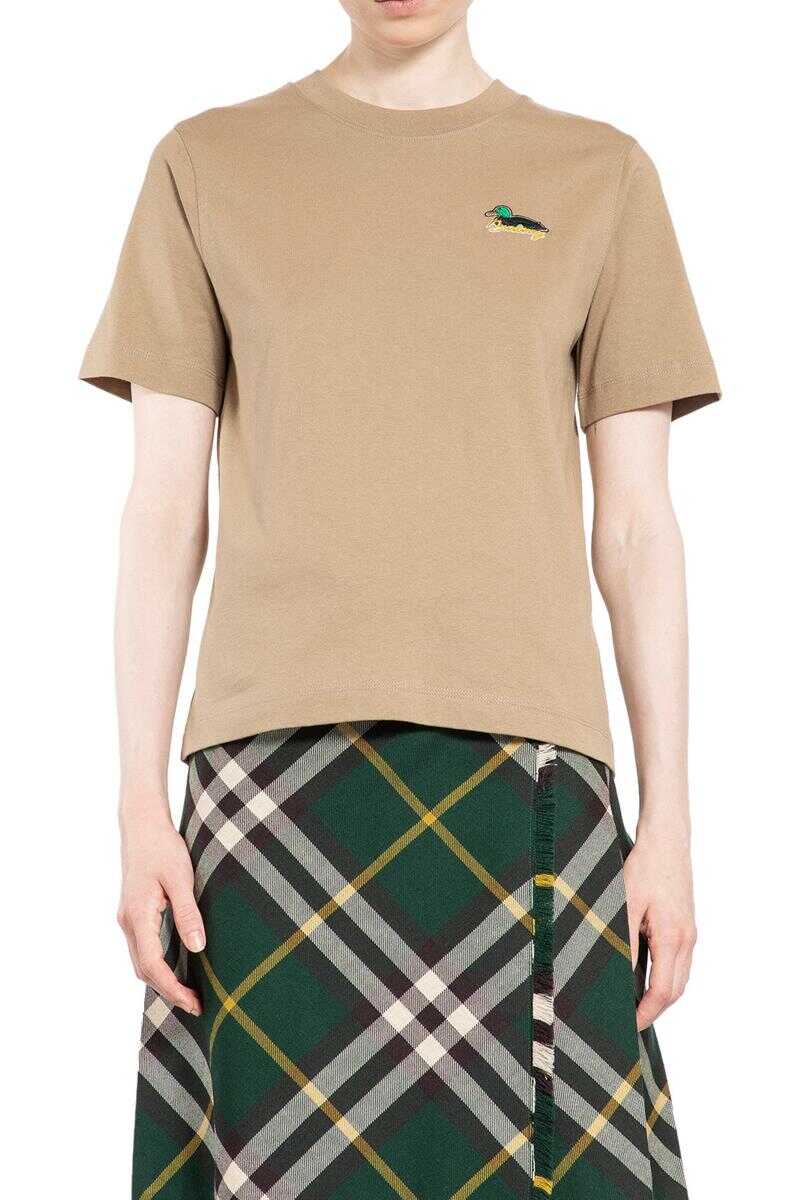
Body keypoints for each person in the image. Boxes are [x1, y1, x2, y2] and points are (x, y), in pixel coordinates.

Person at [80, 2, 719, 1197]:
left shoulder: (599, 176)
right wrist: (137, 810)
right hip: (266, 782)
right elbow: (162, 513)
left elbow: (637, 529)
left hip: (527, 776)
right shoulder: (205, 166)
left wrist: (668, 825)